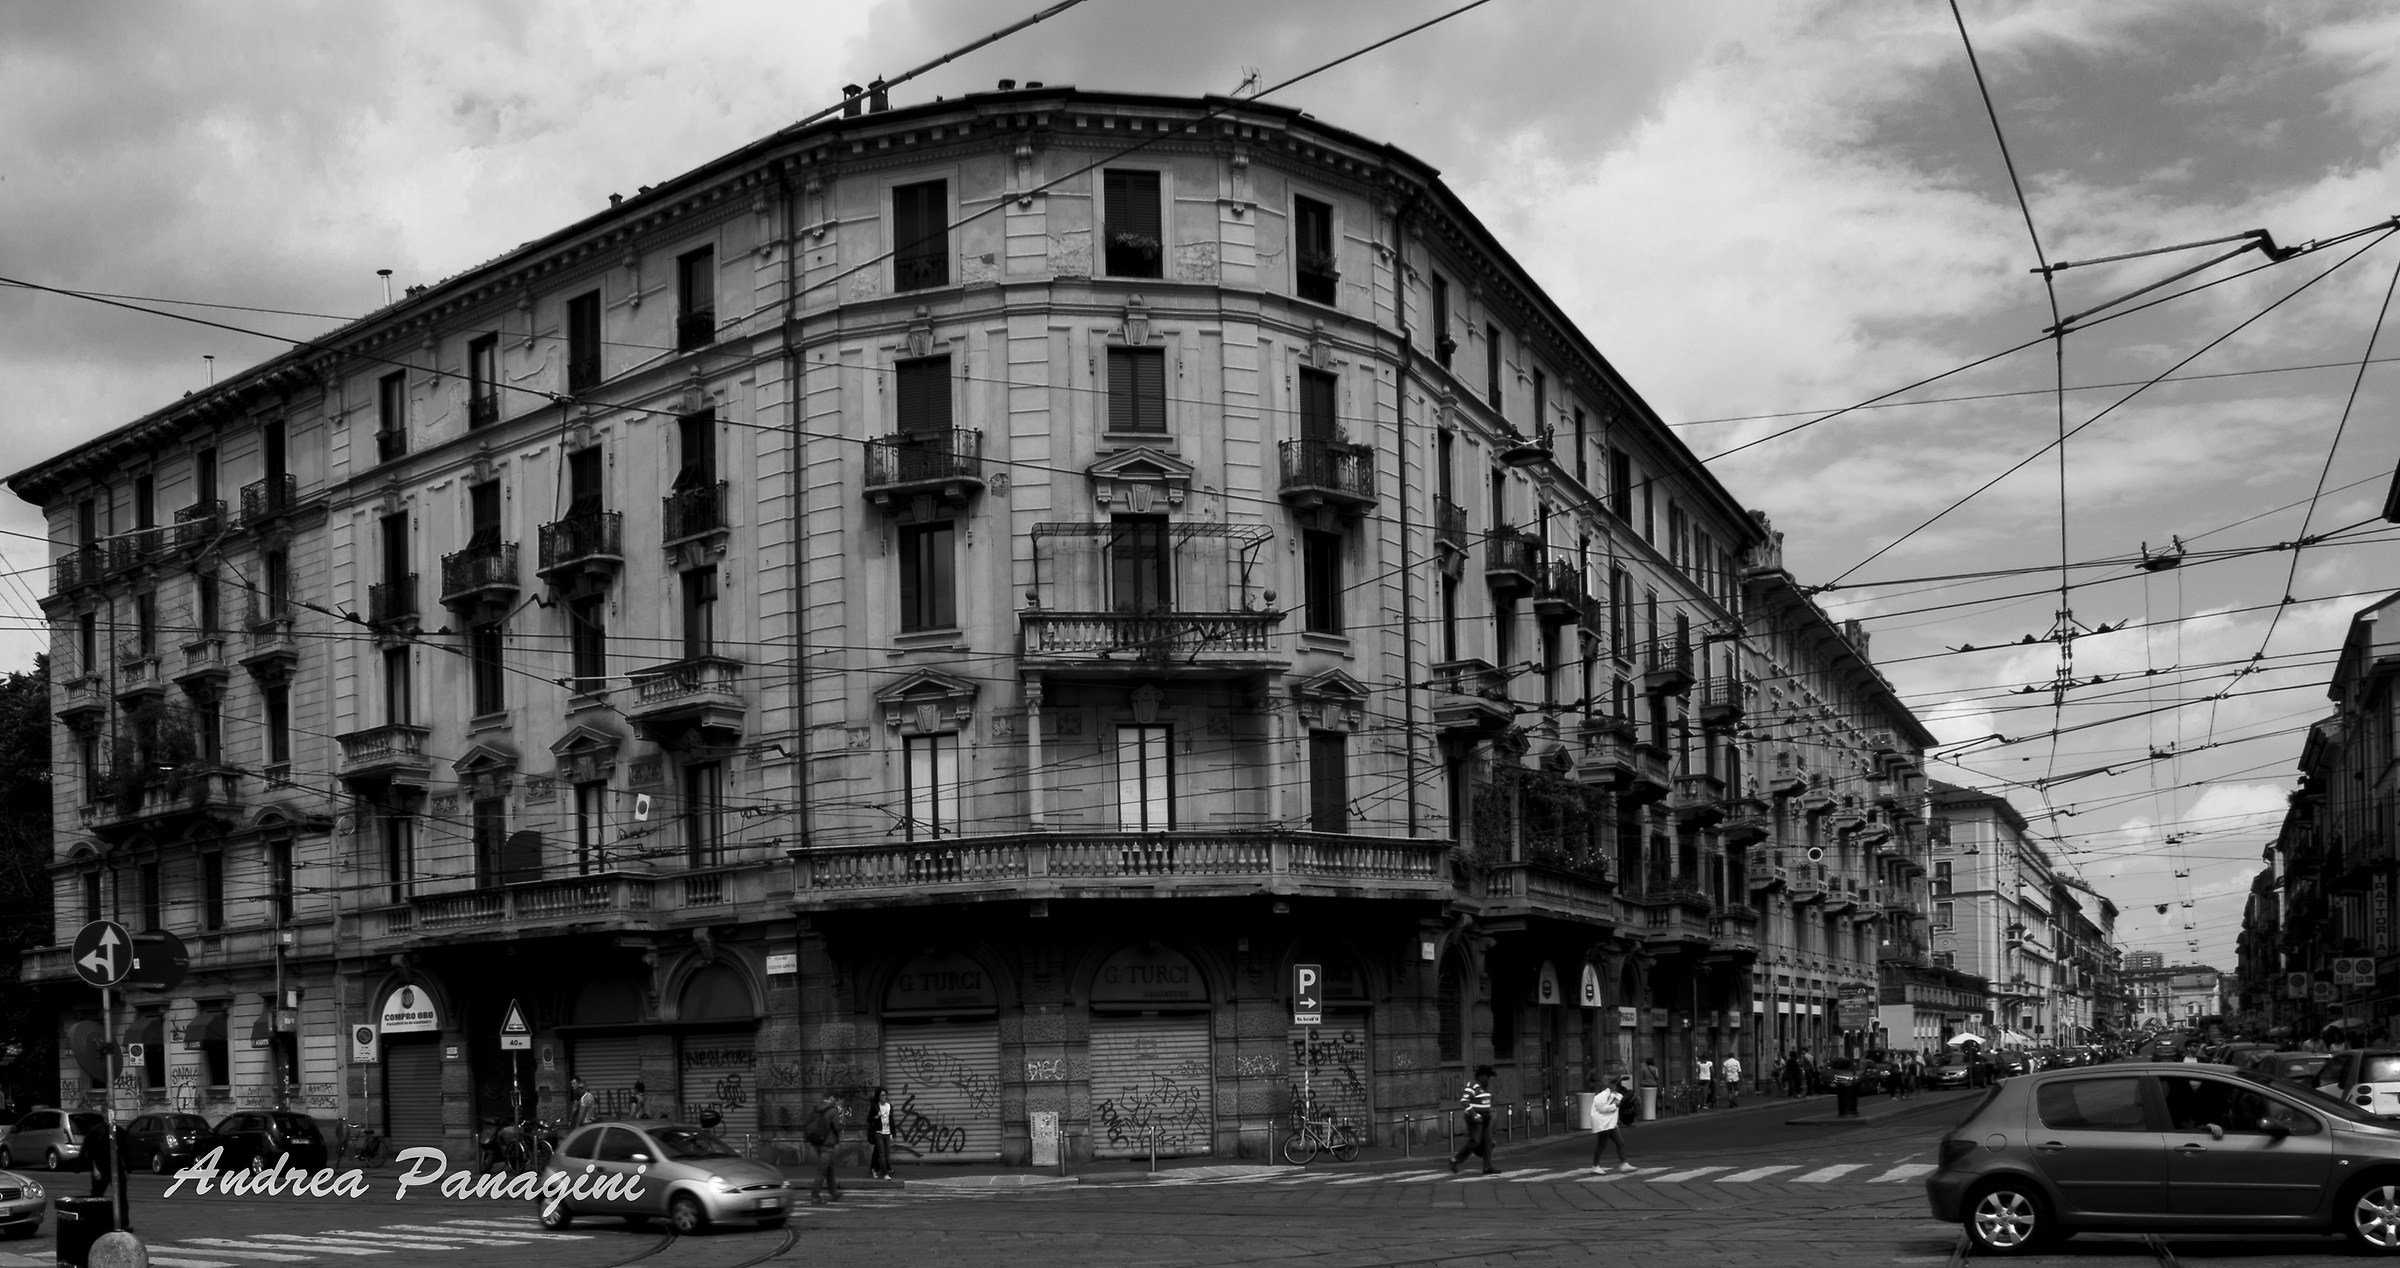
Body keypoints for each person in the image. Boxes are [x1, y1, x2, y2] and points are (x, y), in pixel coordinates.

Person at [1448, 1065, 1499, 1175]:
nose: (1488, 1079)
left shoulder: (1486, 1087)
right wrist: (1474, 1114)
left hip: (1485, 1117)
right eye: (1487, 1076)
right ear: (1481, 1076)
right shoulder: (1472, 1085)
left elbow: (1486, 1100)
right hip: (1475, 1118)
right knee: (1476, 1141)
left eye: (1489, 1077)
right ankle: (1455, 1160)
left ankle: (1487, 1167)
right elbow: (1464, 1101)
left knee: (1488, 1142)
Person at [803, 1089, 844, 1203]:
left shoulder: (816, 1108)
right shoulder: (833, 1110)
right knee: (822, 1171)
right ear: (831, 1098)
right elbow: (837, 1127)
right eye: (835, 1099)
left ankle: (834, 1193)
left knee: (829, 1169)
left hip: (816, 1142)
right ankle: (815, 1196)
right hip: (827, 1144)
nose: (836, 1102)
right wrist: (841, 1123)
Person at [1589, 1076, 1633, 1172]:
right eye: (1613, 1083)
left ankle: (1623, 1163)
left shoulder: (1614, 1094)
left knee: (1620, 1142)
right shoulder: (1601, 1096)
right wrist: (1615, 1105)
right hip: (1603, 1124)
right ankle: (1595, 1166)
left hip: (1610, 1124)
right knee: (1602, 1145)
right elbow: (1602, 1108)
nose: (1615, 1085)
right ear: (1608, 1084)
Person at [869, 1088, 894, 1180]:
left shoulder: (889, 1106)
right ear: (878, 1097)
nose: (884, 1097)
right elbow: (869, 1119)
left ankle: (876, 1169)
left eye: (885, 1095)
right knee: (882, 1154)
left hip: (887, 1133)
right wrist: (876, 1116)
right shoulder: (875, 1107)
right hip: (879, 1133)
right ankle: (885, 1173)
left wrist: (893, 1133)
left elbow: (891, 1121)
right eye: (882, 1095)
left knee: (887, 1155)